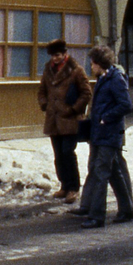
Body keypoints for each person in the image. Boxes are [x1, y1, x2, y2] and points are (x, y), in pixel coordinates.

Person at [74, 45, 133, 229]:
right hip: (101, 133)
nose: (91, 67)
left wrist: (105, 118)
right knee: (114, 173)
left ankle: (97, 215)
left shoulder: (115, 79)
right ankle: (126, 210)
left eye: (93, 64)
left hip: (109, 133)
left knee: (101, 173)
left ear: (100, 64)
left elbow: (125, 104)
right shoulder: (104, 78)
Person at [36, 38, 90, 203]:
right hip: (53, 119)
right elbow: (42, 90)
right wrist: (44, 104)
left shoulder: (76, 70)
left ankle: (74, 187)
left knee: (68, 153)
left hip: (70, 121)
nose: (55, 58)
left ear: (65, 53)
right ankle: (64, 185)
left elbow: (86, 93)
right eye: (52, 56)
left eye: (58, 55)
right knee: (58, 155)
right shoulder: (48, 69)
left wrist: (74, 110)